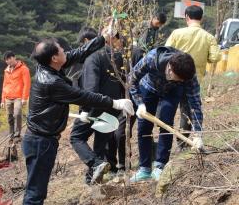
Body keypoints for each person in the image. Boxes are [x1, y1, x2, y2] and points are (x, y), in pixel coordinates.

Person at [22, 32, 135, 205]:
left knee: (37, 189)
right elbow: (83, 96)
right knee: (35, 192)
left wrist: (103, 38)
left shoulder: (47, 66)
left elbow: (78, 53)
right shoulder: (51, 82)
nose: (66, 52)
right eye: (61, 50)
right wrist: (115, 103)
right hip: (40, 142)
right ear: (54, 58)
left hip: (42, 140)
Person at [129, 47, 204, 183]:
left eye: (182, 80)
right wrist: (139, 103)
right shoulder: (152, 59)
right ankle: (144, 168)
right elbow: (131, 79)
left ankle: (160, 166)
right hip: (149, 87)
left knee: (166, 123)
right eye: (178, 79)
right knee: (144, 127)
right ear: (170, 69)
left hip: (172, 92)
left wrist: (198, 134)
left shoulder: (188, 75)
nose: (180, 81)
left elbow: (195, 103)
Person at [70, 30, 125, 185]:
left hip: (95, 106)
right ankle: (92, 179)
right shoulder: (118, 55)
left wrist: (85, 110)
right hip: (113, 106)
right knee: (100, 144)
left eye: (82, 45)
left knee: (76, 137)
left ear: (87, 40)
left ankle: (95, 165)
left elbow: (91, 88)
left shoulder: (92, 58)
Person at [165, 5, 221, 149]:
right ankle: (182, 144)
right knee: (187, 111)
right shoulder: (208, 37)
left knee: (168, 109)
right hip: (192, 80)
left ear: (186, 17)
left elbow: (165, 52)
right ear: (202, 18)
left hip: (173, 77)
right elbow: (215, 57)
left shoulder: (177, 33)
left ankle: (164, 143)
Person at [0, 51, 31, 140]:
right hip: (8, 97)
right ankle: (11, 134)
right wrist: (2, 100)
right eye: (6, 60)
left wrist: (24, 97)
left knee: (17, 114)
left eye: (9, 59)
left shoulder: (24, 69)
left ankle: (18, 134)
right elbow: (4, 85)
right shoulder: (6, 70)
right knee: (9, 117)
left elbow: (27, 84)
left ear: (14, 57)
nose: (8, 61)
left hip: (18, 96)